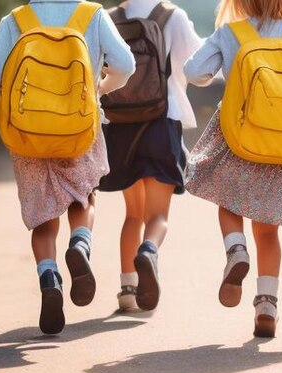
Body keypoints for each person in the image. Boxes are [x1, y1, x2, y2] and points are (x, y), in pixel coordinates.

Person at [0, 0, 135, 334]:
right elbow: (125, 63)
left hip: (28, 133)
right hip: (80, 126)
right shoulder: (92, 15)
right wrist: (100, 87)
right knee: (84, 197)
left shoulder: (15, 20)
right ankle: (80, 244)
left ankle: (49, 277)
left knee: (43, 216)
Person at [184, 0, 282, 337]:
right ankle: (267, 305)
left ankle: (235, 249)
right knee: (268, 231)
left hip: (240, 134)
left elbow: (195, 72)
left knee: (228, 198)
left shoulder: (230, 32)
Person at [98, 0, 203, 312]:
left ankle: (128, 290)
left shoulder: (108, 18)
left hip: (120, 124)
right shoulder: (173, 17)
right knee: (157, 216)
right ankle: (149, 249)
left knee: (132, 213)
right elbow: (198, 71)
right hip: (162, 120)